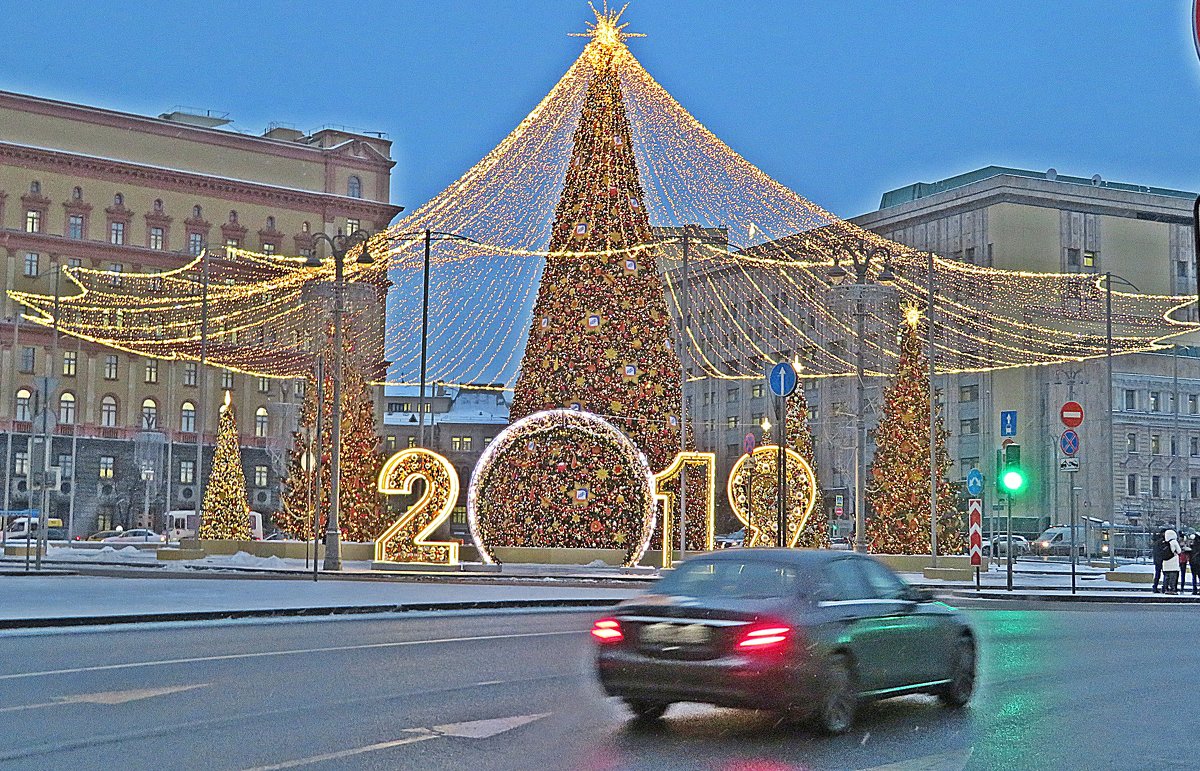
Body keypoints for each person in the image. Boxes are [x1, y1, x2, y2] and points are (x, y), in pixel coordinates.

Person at [1161, 529, 1182, 594]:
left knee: (1166, 577)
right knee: (1173, 578)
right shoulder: (1174, 542)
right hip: (1173, 563)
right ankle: (1173, 589)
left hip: (1165, 563)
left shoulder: (1164, 542)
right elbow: (1179, 551)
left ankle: (1165, 589)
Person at [1152, 527, 1168, 593]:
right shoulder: (1162, 541)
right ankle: (1164, 587)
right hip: (1162, 560)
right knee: (1165, 574)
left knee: (1158, 574)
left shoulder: (1156, 541)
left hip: (1157, 560)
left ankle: (1155, 586)